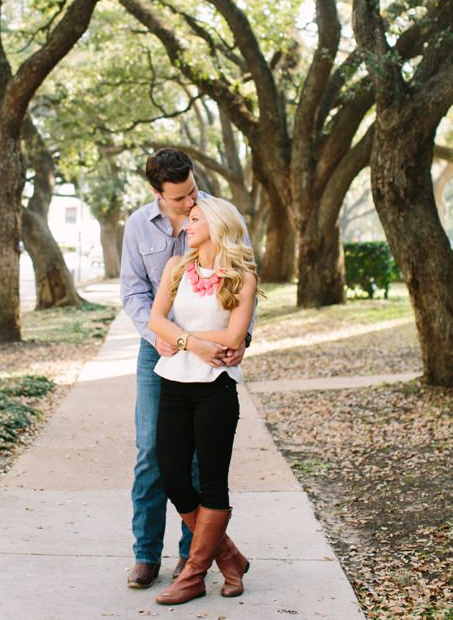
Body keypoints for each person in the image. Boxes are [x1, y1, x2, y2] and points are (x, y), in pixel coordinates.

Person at [120, 149, 251, 589]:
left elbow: (243, 280)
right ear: (158, 192)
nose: (190, 201)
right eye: (180, 197)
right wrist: (160, 335)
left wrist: (242, 341)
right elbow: (135, 292)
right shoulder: (139, 226)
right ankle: (146, 554)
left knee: (199, 459)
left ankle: (189, 557)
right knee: (152, 452)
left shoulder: (218, 214)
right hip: (160, 352)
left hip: (213, 353)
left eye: (193, 189)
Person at [148, 196, 258, 605]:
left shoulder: (242, 277)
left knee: (212, 480)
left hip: (216, 388)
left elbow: (233, 338)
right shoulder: (176, 267)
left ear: (216, 224)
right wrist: (191, 342)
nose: (186, 225)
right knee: (173, 473)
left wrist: (180, 339)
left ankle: (194, 574)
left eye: (194, 219)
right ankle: (228, 555)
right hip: (174, 384)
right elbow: (156, 320)